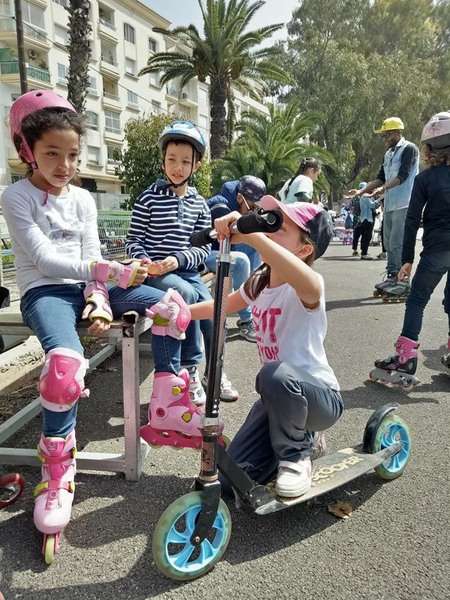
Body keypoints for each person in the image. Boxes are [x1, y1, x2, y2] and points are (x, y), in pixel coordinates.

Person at [1, 91, 205, 561]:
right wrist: (107, 275)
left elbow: (92, 252)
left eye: (72, 155)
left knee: (173, 305)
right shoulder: (17, 196)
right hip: (46, 292)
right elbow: (46, 259)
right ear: (27, 150)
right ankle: (57, 477)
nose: (64, 164)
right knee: (65, 369)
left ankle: (167, 403)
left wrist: (98, 293)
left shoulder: (84, 200)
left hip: (90, 285)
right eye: (52, 153)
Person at [186, 196, 343, 497]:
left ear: (305, 248)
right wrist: (181, 312)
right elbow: (224, 305)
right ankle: (298, 443)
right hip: (277, 400)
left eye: (279, 227)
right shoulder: (260, 282)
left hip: (319, 399)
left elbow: (308, 282)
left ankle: (296, 455)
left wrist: (252, 235)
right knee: (231, 480)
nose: (269, 230)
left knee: (273, 375)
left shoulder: (309, 286)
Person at [126, 120, 238, 403]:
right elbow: (133, 239)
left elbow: (202, 249)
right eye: (171, 159)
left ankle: (214, 370)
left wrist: (177, 260)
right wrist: (145, 260)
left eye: (185, 161)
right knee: (185, 296)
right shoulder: (148, 199)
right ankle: (188, 369)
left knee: (216, 308)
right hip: (157, 273)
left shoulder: (200, 204)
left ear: (196, 166)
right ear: (163, 161)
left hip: (184, 271)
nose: (177, 167)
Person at [370, 112, 450, 388]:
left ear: (428, 149)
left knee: (417, 299)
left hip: (438, 249)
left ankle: (405, 359)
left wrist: (406, 259)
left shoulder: (425, 179)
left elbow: (412, 220)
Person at [349, 117, 419, 295]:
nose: (384, 138)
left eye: (386, 134)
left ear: (396, 133)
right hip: (390, 205)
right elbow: (381, 177)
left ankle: (402, 282)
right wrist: (360, 192)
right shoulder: (388, 154)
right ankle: (392, 275)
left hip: (405, 203)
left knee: (397, 242)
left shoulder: (409, 149)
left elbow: (402, 176)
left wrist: (382, 188)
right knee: (387, 242)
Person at [206, 175, 267, 343]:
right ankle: (246, 320)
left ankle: (251, 301)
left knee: (255, 246)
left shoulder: (234, 203)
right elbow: (226, 241)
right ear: (240, 197)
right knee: (241, 260)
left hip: (219, 250)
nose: (254, 210)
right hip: (203, 254)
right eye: (253, 205)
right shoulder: (221, 207)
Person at [352, 182, 379, 259]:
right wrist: (379, 200)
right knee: (366, 237)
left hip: (362, 219)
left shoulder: (360, 197)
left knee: (361, 236)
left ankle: (361, 251)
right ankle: (364, 253)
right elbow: (372, 205)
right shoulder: (366, 196)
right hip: (368, 219)